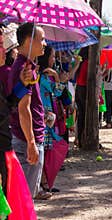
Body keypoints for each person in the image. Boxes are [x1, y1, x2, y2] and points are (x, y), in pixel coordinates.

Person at [0, 26, 38, 219]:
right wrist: (31, 141)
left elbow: (7, 106)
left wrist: (22, 86)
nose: (4, 49)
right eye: (0, 45)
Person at [8, 23, 48, 199]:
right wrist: (32, 142)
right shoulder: (25, 69)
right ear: (29, 41)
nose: (45, 43)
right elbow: (23, 108)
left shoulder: (25, 66)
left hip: (25, 137)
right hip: (26, 140)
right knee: (23, 200)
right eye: (42, 39)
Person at [38, 46, 66, 194]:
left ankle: (45, 182)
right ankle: (42, 183)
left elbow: (56, 93)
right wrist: (56, 77)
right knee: (44, 152)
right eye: (53, 56)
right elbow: (56, 92)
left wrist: (56, 77)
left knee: (47, 151)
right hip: (43, 118)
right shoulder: (41, 76)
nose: (54, 59)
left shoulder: (44, 75)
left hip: (48, 118)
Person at [75, 47, 89, 148]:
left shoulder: (82, 63)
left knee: (81, 115)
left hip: (79, 88)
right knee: (84, 115)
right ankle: (82, 139)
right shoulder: (88, 63)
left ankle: (79, 138)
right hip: (84, 89)